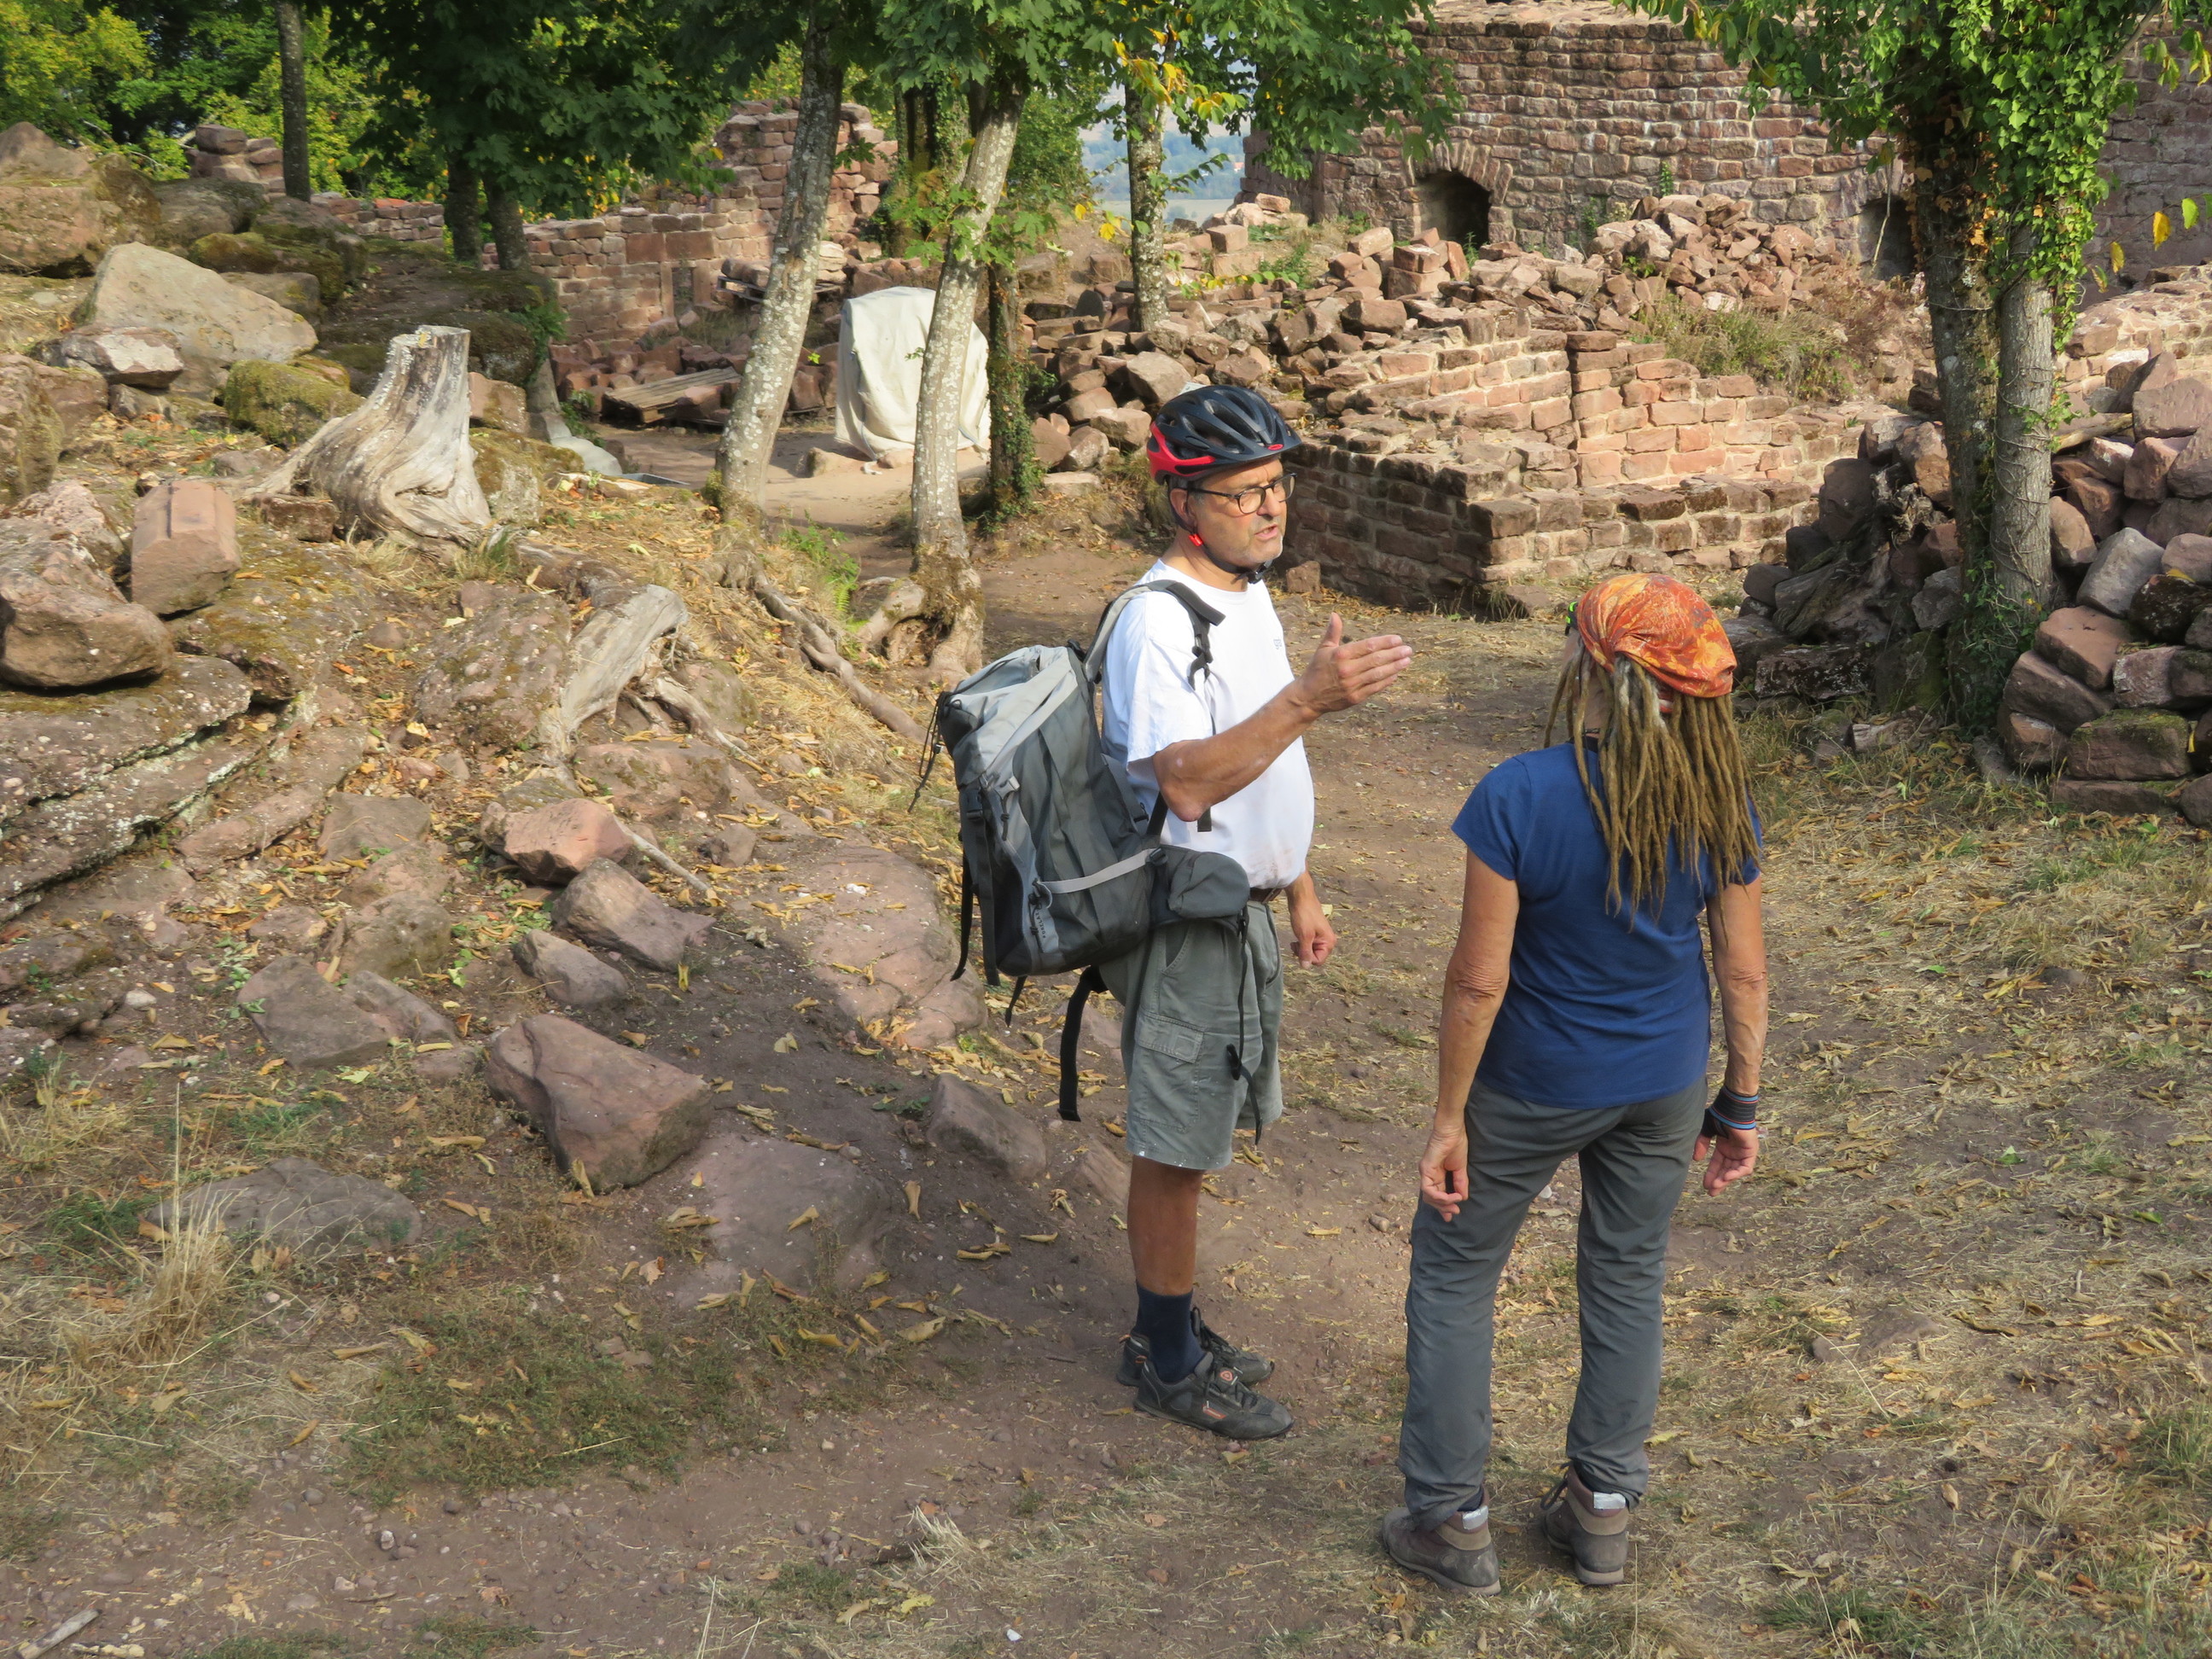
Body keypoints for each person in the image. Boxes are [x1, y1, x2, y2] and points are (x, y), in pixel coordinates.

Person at [1379, 572, 1768, 1592]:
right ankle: (1602, 1509)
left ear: (1591, 666)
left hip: (1529, 1084)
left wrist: (1449, 1118)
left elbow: (1478, 980)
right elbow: (1742, 971)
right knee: (1629, 1275)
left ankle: (1451, 1519)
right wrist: (1741, 1101)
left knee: (1456, 1275)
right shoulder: (1716, 801)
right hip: (1663, 1084)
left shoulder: (1517, 795)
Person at [1094, 384, 1412, 1439]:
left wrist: (1298, 884)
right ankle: (1166, 1357)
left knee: (1198, 1138)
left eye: (1277, 486)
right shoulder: (1158, 621)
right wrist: (1310, 697)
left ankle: (1169, 1324)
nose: (1270, 509)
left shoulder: (1247, 594)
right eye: (1242, 494)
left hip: (1242, 911)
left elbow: (1269, 758)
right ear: (1184, 503)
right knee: (1175, 1147)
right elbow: (1185, 780)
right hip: (1183, 923)